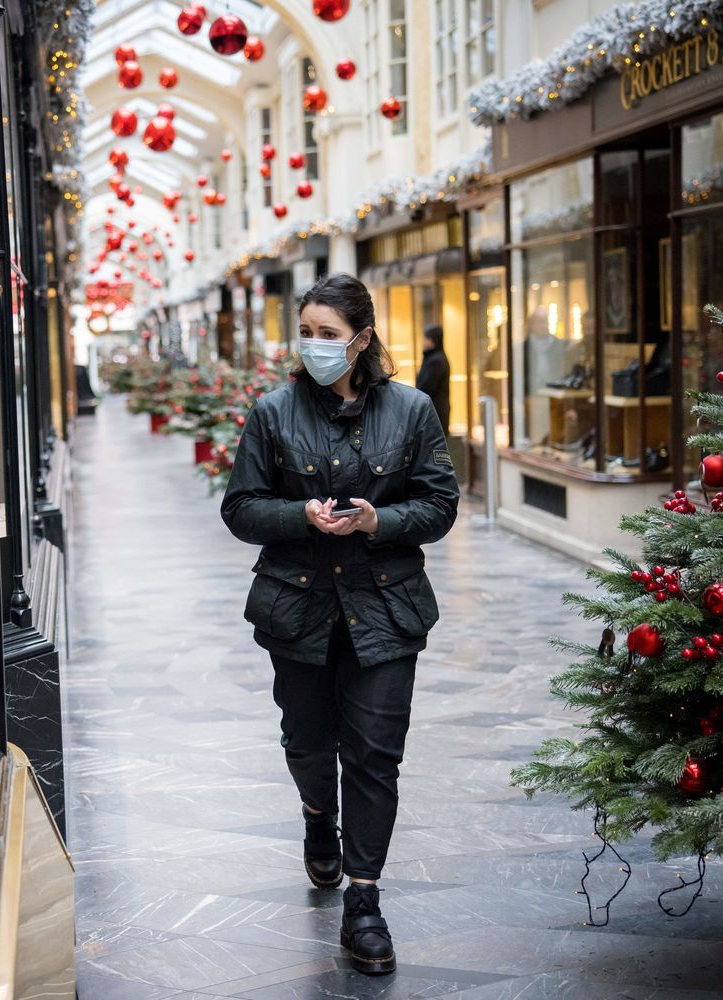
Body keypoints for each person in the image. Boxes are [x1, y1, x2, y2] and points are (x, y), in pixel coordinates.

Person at [221, 273, 458, 977]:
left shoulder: (412, 410)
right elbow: (240, 508)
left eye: (329, 334)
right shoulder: (273, 412)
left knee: (375, 752)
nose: (315, 345)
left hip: (385, 608)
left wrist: (380, 519)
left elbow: (440, 505)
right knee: (307, 741)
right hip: (299, 608)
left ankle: (364, 900)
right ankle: (318, 817)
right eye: (307, 333)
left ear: (361, 340)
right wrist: (301, 515)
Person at [415, 324, 450, 434]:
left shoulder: (436, 361)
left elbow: (426, 387)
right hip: (434, 410)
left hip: (435, 411)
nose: (424, 342)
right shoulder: (434, 358)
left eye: (426, 338)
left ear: (432, 340)